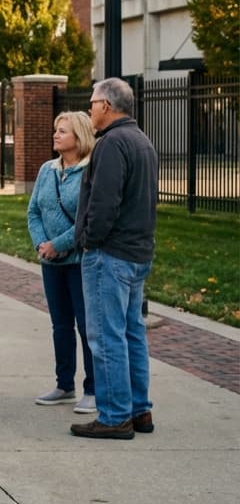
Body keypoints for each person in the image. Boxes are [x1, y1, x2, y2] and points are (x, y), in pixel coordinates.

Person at [71, 78, 159, 440]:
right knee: (132, 333)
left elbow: (104, 205)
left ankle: (114, 416)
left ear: (106, 106)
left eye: (92, 103)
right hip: (138, 253)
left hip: (110, 255)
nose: (90, 109)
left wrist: (89, 242)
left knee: (106, 337)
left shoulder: (111, 144)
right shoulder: (143, 141)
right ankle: (140, 410)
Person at [27, 111, 96, 414]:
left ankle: (93, 389)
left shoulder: (91, 171)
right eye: (56, 129)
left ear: (79, 137)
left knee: (87, 325)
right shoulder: (47, 170)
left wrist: (59, 245)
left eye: (62, 131)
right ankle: (64, 384)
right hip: (50, 262)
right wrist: (42, 245)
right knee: (60, 325)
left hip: (80, 261)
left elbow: (87, 218)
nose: (55, 135)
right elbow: (33, 212)